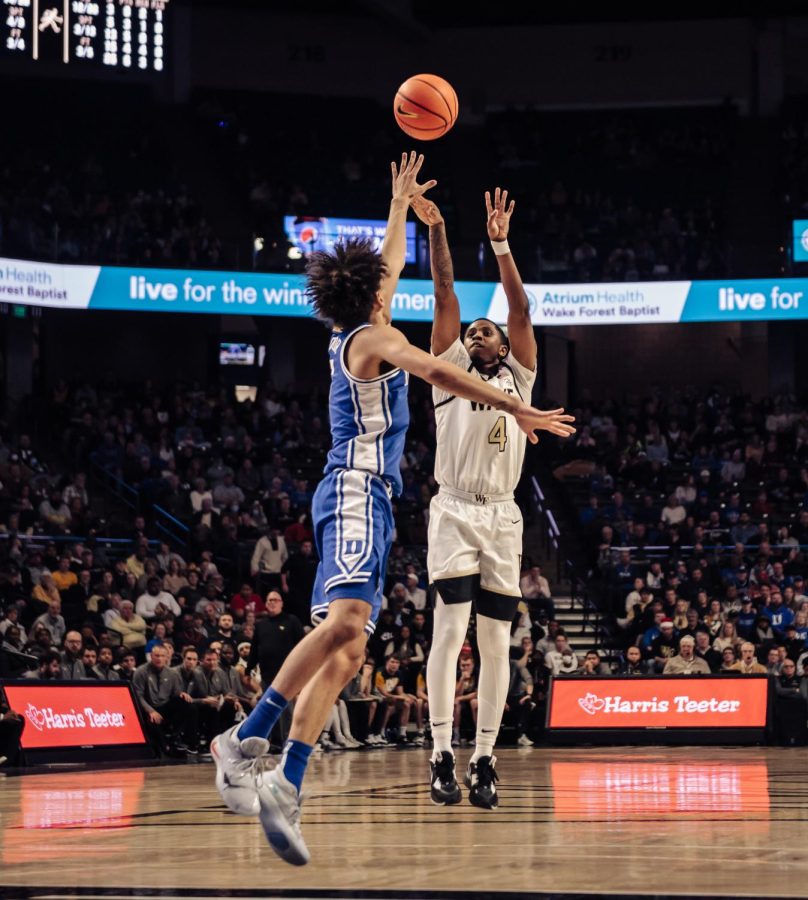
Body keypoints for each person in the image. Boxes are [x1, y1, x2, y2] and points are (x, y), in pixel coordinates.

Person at [211, 153, 574, 866]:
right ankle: (246, 737)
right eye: (385, 276)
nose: (391, 273)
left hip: (378, 500)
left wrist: (400, 204)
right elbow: (439, 371)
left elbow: (389, 262)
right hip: (353, 488)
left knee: (349, 653)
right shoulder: (376, 337)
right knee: (346, 625)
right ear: (373, 293)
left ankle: (288, 781)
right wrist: (518, 408)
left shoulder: (363, 318)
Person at [412, 185, 571, 810]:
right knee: (449, 633)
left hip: (503, 515)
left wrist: (501, 243)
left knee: (497, 642)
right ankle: (440, 755)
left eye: (488, 331)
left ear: (503, 347)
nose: (478, 332)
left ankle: (484, 759)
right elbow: (444, 289)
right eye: (472, 331)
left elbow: (522, 310)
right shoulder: (448, 371)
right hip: (452, 508)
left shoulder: (519, 377)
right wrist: (441, 227)